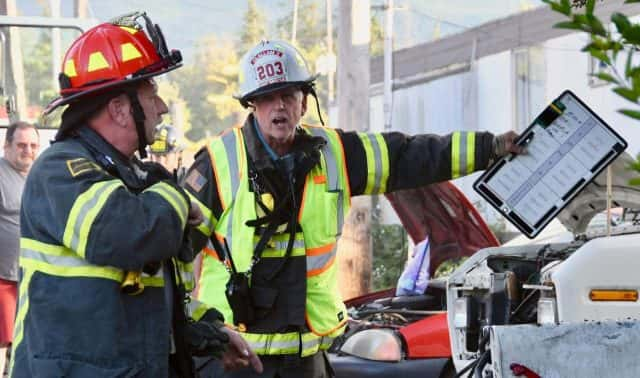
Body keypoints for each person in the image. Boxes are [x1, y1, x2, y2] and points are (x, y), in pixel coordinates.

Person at [182, 39, 522, 377]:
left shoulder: (336, 152)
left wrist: (489, 147)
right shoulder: (218, 163)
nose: (279, 107)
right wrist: (204, 331)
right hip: (235, 358)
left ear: (304, 102)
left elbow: (410, 156)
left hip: (306, 357)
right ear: (252, 104)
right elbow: (175, 252)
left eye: (288, 95)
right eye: (268, 98)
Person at [10, 12, 261, 377]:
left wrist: (206, 335)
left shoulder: (133, 176)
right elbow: (135, 234)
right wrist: (177, 198)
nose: (160, 108)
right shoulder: (60, 170)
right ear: (120, 108)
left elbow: (150, 289)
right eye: (152, 94)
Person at [0, 122, 39, 375]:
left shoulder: (38, 176)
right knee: (2, 343)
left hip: (29, 277)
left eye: (33, 145)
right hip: (2, 278)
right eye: (21, 145)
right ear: (6, 147)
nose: (28, 150)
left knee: (23, 341)